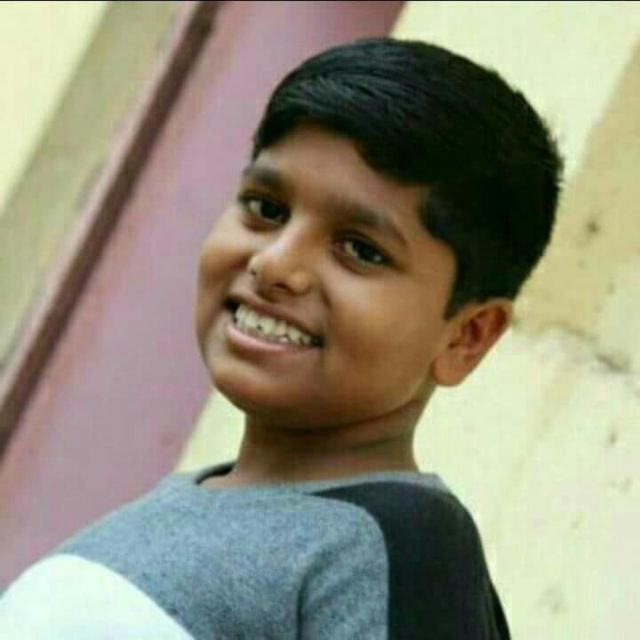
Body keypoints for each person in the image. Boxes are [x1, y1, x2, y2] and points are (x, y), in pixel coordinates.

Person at [0, 37, 562, 638]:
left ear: (466, 337)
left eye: (360, 249)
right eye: (266, 209)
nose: (274, 264)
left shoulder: (396, 550)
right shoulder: (182, 508)